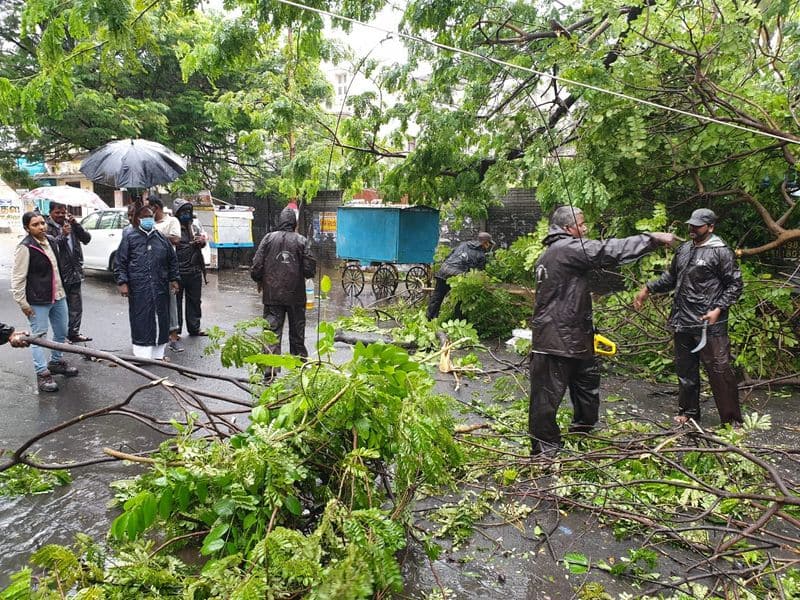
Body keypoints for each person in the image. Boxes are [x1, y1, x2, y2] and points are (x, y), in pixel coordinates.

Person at [529, 206, 676, 455]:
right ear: (568, 228)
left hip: (576, 336)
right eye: (582, 224)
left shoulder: (556, 253)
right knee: (545, 398)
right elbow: (608, 250)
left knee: (587, 386)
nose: (586, 229)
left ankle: (583, 431)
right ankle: (545, 451)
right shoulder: (566, 249)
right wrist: (651, 239)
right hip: (555, 339)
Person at [633, 208, 743, 427]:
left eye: (698, 226)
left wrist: (718, 309)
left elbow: (735, 285)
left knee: (720, 371)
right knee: (686, 371)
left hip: (709, 324)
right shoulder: (684, 249)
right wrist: (647, 288)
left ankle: (732, 422)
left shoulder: (721, 252)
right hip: (682, 320)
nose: (692, 229)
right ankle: (689, 413)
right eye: (691, 225)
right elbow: (671, 278)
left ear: (710, 227)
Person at [11, 211, 80, 392]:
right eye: (35, 225)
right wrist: (22, 303)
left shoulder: (50, 240)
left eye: (42, 223)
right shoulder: (25, 247)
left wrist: (65, 234)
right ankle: (42, 373)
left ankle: (56, 362)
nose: (41, 227)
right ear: (27, 228)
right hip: (38, 299)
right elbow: (18, 278)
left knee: (62, 331)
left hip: (58, 295)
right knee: (38, 337)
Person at [250, 206, 316, 371]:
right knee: (297, 335)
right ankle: (299, 370)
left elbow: (256, 265)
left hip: (272, 296)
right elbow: (309, 270)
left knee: (271, 333)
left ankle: (269, 371)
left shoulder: (268, 239)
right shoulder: (301, 241)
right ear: (294, 223)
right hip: (296, 296)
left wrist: (259, 280)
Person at [114, 204, 180, 361]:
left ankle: (158, 354)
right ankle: (142, 355)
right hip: (139, 288)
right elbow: (120, 262)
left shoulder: (161, 239)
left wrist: (174, 279)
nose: (148, 220)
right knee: (141, 318)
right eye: (145, 217)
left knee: (161, 317)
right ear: (138, 219)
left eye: (151, 216)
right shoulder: (130, 238)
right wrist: (122, 282)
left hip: (160, 286)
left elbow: (172, 261)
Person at [46, 202, 92, 342]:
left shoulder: (70, 223)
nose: (60, 215)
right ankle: (62, 336)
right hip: (58, 273)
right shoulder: (46, 227)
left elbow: (86, 239)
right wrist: (62, 234)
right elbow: (49, 246)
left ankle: (73, 333)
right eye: (57, 212)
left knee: (76, 306)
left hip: (74, 271)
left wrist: (76, 225)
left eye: (63, 212)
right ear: (51, 212)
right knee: (61, 308)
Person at [426, 232, 493, 320]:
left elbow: (450, 256)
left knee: (437, 297)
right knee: (461, 300)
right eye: (489, 243)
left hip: (443, 271)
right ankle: (458, 322)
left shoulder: (463, 244)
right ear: (485, 243)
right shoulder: (481, 256)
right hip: (458, 277)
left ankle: (429, 321)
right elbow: (479, 274)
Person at [148, 196, 184, 352]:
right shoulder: (147, 223)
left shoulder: (171, 221)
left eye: (149, 208)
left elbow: (176, 239)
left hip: (167, 268)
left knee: (171, 303)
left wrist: (155, 234)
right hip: (149, 269)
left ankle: (173, 336)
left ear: (156, 207)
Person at [173, 199, 208, 337]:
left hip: (194, 269)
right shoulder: (173, 227)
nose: (186, 214)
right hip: (178, 270)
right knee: (176, 302)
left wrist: (201, 241)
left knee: (194, 300)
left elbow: (203, 240)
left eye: (188, 211)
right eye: (183, 211)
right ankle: (176, 329)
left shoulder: (194, 225)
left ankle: (194, 328)